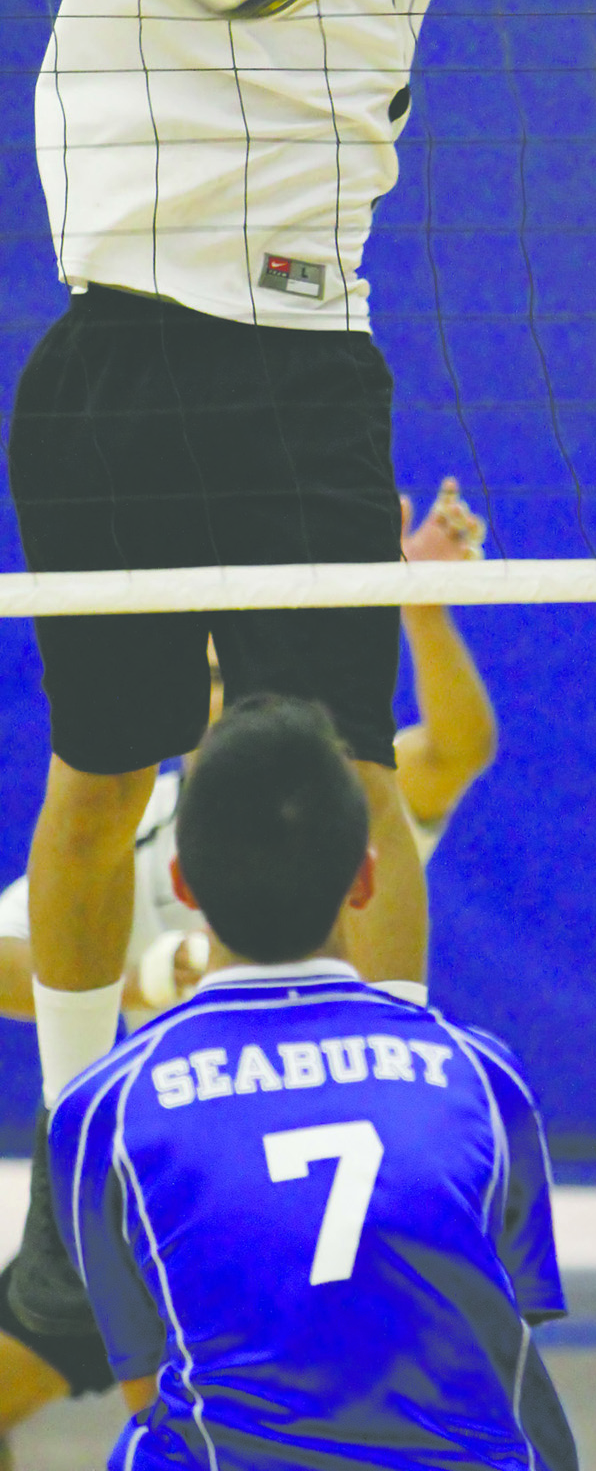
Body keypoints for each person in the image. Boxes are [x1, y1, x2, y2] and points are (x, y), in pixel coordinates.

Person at [6, 0, 485, 1342]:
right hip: (120, 346)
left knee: (357, 774)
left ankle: (401, 1118)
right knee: (101, 770)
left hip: (303, 360)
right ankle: (65, 1182)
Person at [0, 476, 498, 1457]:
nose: (235, 702)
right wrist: (151, 978)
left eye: (249, 682)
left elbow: (454, 750)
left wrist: (421, 609)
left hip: (265, 1169)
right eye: (218, 682)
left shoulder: (329, 807)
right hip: (157, 1163)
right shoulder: (122, 823)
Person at [47, 692, 576, 1471]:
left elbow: (146, 1377)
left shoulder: (104, 1110)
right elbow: (505, 1329)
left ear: (182, 884)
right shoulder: (482, 1076)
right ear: (364, 879)